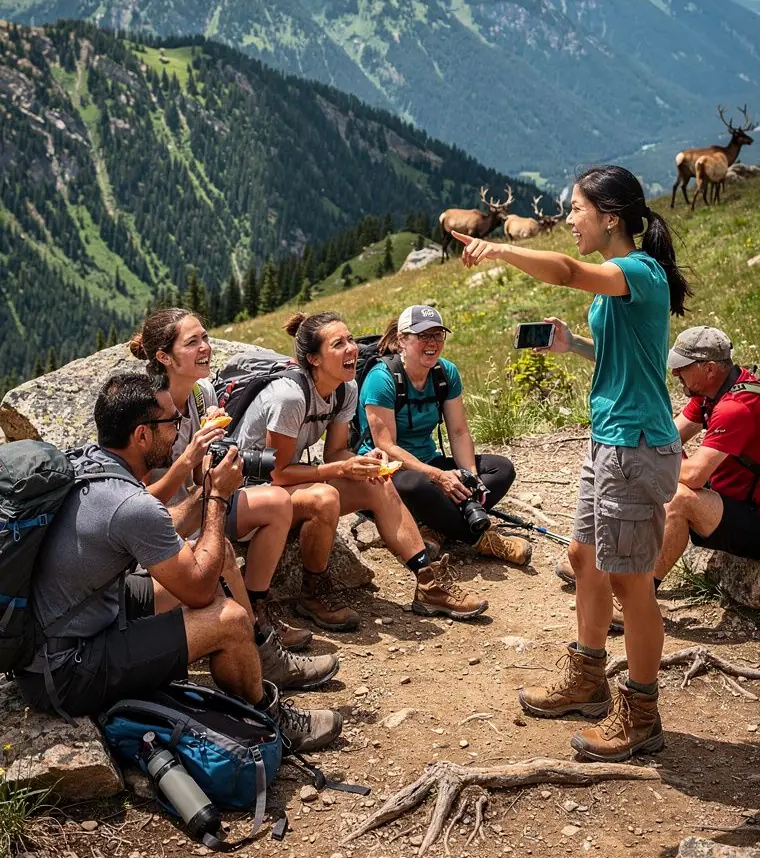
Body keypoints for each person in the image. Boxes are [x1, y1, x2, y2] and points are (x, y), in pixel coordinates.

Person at [452, 164, 691, 762]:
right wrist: (573, 346)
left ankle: (642, 712)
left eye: (577, 210)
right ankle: (587, 680)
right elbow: (628, 352)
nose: (570, 221)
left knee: (630, 583)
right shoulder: (622, 281)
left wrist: (502, 249)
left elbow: (562, 271)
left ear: (610, 217)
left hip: (635, 446)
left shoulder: (637, 270)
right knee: (585, 557)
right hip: (608, 440)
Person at [14, 374, 342, 753]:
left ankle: (258, 661)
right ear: (141, 435)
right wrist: (219, 499)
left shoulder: (91, 464)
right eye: (172, 422)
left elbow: (157, 527)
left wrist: (204, 494)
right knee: (230, 619)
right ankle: (272, 720)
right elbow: (199, 589)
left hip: (60, 630)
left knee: (204, 573)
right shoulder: (129, 504)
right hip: (66, 670)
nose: (180, 429)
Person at [231, 311, 488, 625]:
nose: (353, 348)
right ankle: (313, 594)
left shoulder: (345, 389)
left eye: (350, 339)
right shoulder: (290, 397)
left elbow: (335, 451)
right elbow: (278, 472)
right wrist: (342, 469)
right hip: (248, 492)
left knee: (377, 481)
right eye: (339, 344)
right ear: (313, 359)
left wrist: (363, 463)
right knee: (324, 498)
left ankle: (428, 583)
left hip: (283, 485)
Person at [130, 309, 337, 692]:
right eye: (192, 343)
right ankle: (256, 644)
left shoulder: (200, 392)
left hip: (195, 503)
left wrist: (216, 456)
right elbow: (135, 501)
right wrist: (192, 454)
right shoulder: (147, 408)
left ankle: (258, 608)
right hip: (161, 521)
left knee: (277, 502)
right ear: (163, 356)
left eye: (205, 338)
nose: (206, 348)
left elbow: (198, 479)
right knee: (220, 547)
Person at [358, 306, 531, 566]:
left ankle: (436, 527)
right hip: (390, 469)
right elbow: (387, 446)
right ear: (402, 340)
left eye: (438, 335)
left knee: (501, 469)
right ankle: (486, 542)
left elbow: (459, 432)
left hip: (428, 461)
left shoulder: (445, 373)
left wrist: (470, 477)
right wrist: (438, 476)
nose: (432, 343)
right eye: (423, 336)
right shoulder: (382, 379)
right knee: (417, 485)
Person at [654, 326, 760, 575]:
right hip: (734, 503)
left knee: (678, 497)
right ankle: (617, 570)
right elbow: (669, 436)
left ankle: (639, 598)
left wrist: (654, 455)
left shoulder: (736, 408)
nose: (675, 372)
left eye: (682, 366)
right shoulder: (711, 392)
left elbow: (693, 475)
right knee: (650, 476)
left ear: (709, 369)